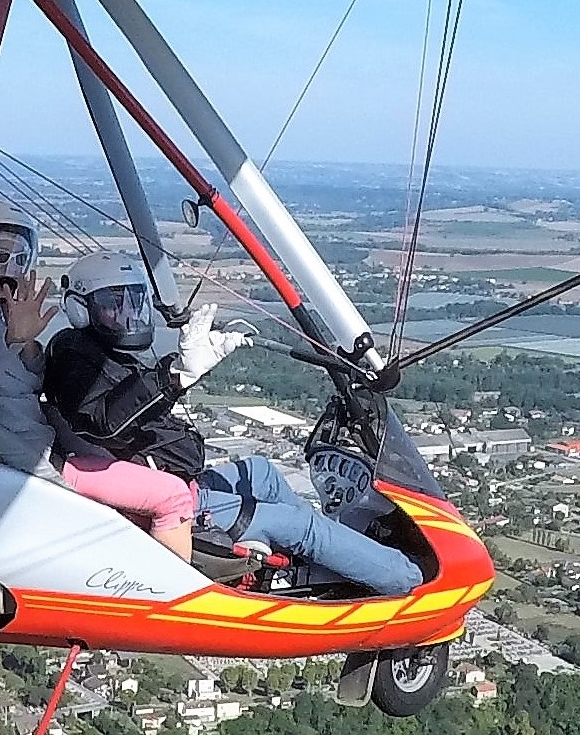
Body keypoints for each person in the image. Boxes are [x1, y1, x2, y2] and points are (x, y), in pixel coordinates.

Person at [42, 252, 423, 596]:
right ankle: (409, 579)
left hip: (175, 477)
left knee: (263, 471)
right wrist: (172, 375)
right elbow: (104, 422)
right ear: (80, 309)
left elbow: (126, 409)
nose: (126, 314)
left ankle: (317, 568)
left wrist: (173, 376)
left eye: (133, 302)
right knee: (300, 524)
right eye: (112, 305)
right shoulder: (73, 359)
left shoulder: (99, 353)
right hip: (168, 497)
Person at [0, 201, 196, 560]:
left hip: (36, 447)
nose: (9, 268)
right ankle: (176, 602)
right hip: (36, 459)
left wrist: (23, 344)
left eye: (18, 257)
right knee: (174, 496)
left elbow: (15, 378)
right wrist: (12, 339)